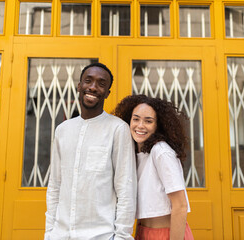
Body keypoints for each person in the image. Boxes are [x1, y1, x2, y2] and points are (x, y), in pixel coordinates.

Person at [45, 63, 137, 240]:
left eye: (101, 84)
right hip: (61, 235)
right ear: (79, 86)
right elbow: (55, 185)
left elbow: (126, 188)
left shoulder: (118, 129)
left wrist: (121, 236)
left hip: (101, 236)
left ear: (107, 93)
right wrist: (50, 232)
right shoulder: (63, 130)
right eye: (88, 81)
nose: (93, 87)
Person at [114, 95, 194, 240]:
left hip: (166, 234)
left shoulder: (161, 151)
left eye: (148, 121)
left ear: (158, 125)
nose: (140, 125)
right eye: (136, 119)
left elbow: (180, 205)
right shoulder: (136, 153)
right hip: (142, 232)